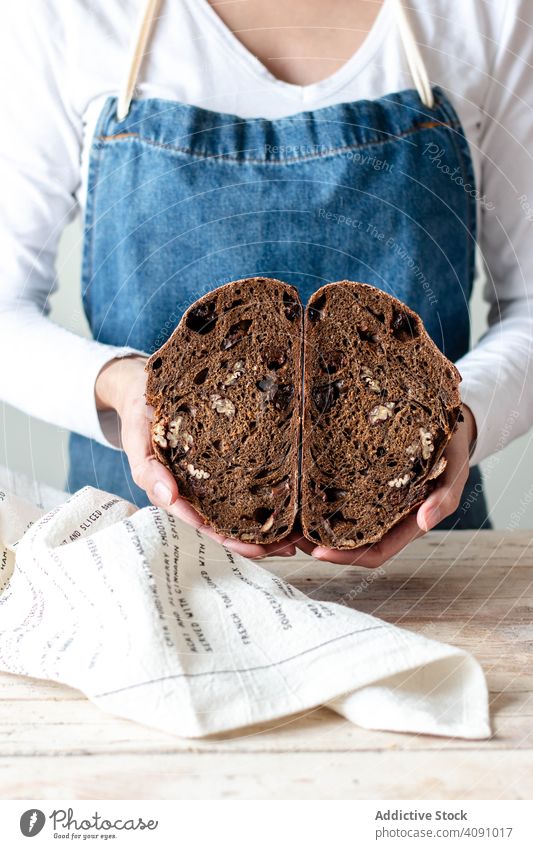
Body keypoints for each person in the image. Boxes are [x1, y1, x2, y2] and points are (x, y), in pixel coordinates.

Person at [1, 0, 532, 566]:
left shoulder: (486, 13)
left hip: (427, 572)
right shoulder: (64, 13)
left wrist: (462, 413)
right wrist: (121, 385)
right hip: (138, 567)